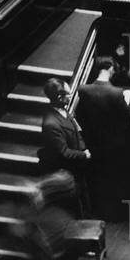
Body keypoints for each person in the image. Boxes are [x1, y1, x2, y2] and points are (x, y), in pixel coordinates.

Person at [75, 56, 130, 220]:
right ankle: (114, 212)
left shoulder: (83, 89)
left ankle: (97, 210)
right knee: (113, 178)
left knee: (96, 178)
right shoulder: (116, 93)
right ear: (110, 68)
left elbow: (81, 117)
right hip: (113, 145)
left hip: (93, 143)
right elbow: (127, 121)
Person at [39, 78, 91, 216]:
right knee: (75, 207)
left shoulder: (63, 110)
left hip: (78, 167)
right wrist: (84, 154)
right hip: (68, 171)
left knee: (84, 199)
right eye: (68, 94)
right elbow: (64, 152)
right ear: (59, 97)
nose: (71, 95)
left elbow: (75, 130)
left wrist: (83, 146)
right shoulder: (51, 124)